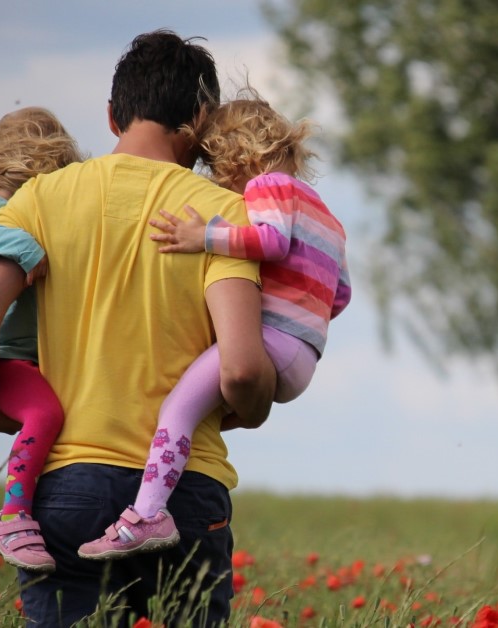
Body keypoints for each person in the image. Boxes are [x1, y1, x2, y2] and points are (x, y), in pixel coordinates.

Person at [0, 29, 276, 627]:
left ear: (110, 116)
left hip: (66, 488)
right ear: (201, 118)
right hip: (185, 492)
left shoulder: (37, 201)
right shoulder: (223, 215)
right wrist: (248, 409)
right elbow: (244, 368)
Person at [78, 92, 351, 560]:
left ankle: (147, 515)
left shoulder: (268, 188)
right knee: (200, 413)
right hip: (305, 355)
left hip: (271, 341)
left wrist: (202, 236)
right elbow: (340, 294)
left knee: (176, 410)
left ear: (238, 155)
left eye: (215, 165)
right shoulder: (328, 216)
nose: (216, 178)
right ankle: (161, 492)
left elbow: (270, 241)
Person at [0, 106, 82, 573]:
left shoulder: (14, 213)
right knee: (45, 413)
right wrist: (26, 247)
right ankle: (13, 515)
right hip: (2, 358)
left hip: (26, 358)